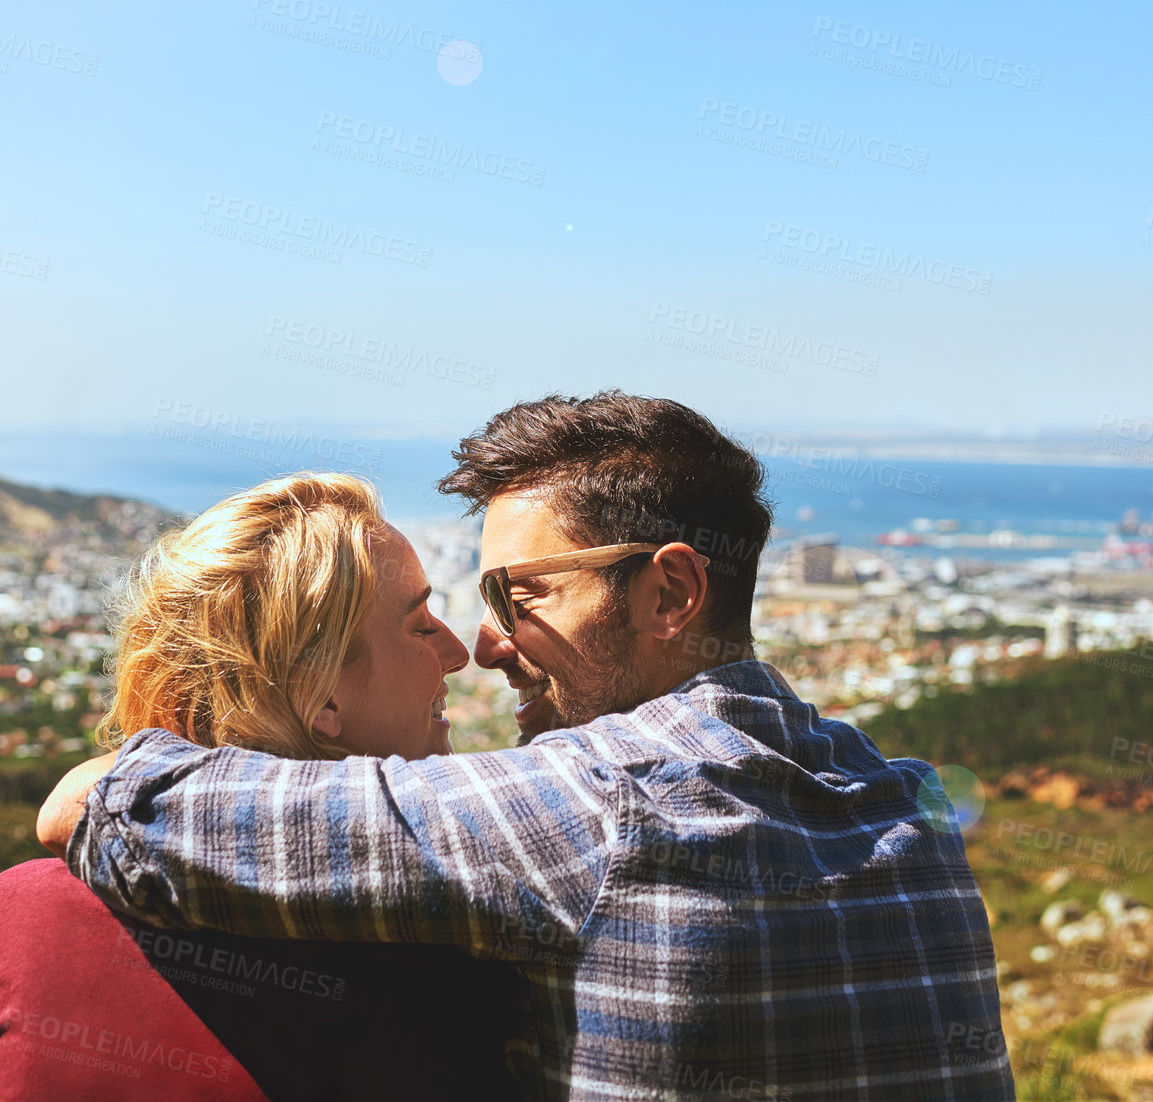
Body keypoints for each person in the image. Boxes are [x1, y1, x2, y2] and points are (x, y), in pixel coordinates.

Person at [46, 394, 1013, 1099]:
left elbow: (126, 817)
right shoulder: (905, 803)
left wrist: (104, 772)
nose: (487, 643)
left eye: (521, 595)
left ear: (670, 595)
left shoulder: (603, 807)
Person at [4, 471, 525, 1101]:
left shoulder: (26, 914)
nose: (457, 651)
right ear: (320, 694)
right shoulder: (463, 977)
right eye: (420, 626)